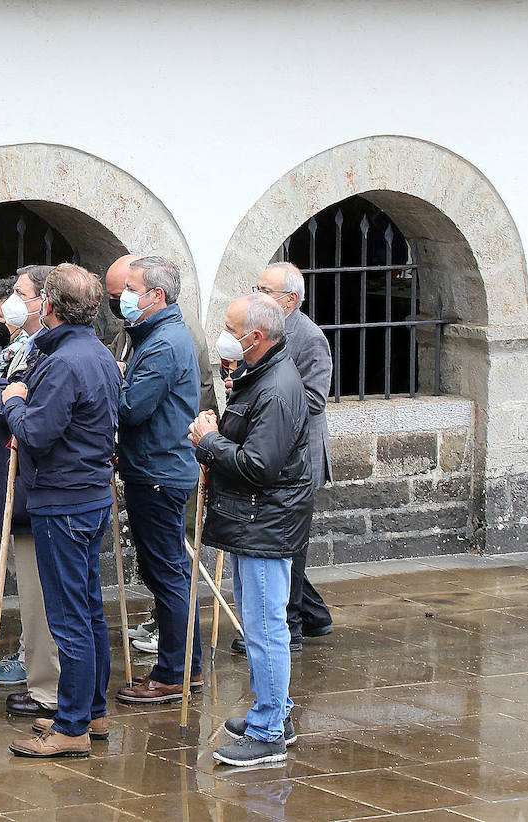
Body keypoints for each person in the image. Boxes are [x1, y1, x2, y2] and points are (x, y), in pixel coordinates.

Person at [0, 264, 120, 758]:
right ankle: (91, 712)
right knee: (88, 612)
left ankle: (73, 725)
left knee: (71, 617)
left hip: (65, 499)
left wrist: (12, 401)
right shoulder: (94, 351)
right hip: (88, 495)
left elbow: (35, 432)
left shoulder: (66, 362)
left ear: (49, 307)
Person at [189, 292, 312, 767]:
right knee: (260, 623)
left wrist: (209, 442)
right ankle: (273, 710)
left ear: (255, 337)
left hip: (266, 521)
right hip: (255, 520)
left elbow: (259, 465)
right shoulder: (258, 376)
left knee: (264, 628)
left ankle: (267, 731)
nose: (224, 333)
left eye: (229, 326)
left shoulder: (277, 387)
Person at [0, 265, 63, 718]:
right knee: (33, 589)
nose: (10, 302)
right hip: (19, 480)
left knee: (44, 590)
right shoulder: (22, 343)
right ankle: (36, 664)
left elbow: (16, 405)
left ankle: (50, 684)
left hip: (38, 484)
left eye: (20, 293)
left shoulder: (48, 352)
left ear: (46, 301)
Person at [112, 257, 204, 705]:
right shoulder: (156, 336)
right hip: (156, 466)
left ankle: (174, 671)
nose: (124, 297)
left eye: (132, 288)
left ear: (157, 296)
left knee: (166, 573)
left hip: (158, 470)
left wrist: (113, 378)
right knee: (168, 572)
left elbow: (132, 409)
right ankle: (189, 664)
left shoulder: (165, 342)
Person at [251, 261, 334, 649]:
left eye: (266, 291)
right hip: (273, 448)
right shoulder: (265, 329)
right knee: (285, 541)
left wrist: (271, 392)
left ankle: (292, 625)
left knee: (290, 542)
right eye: (257, 287)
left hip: (299, 454)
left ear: (290, 299)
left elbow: (315, 398)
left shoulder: (310, 337)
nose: (258, 295)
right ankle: (314, 614)